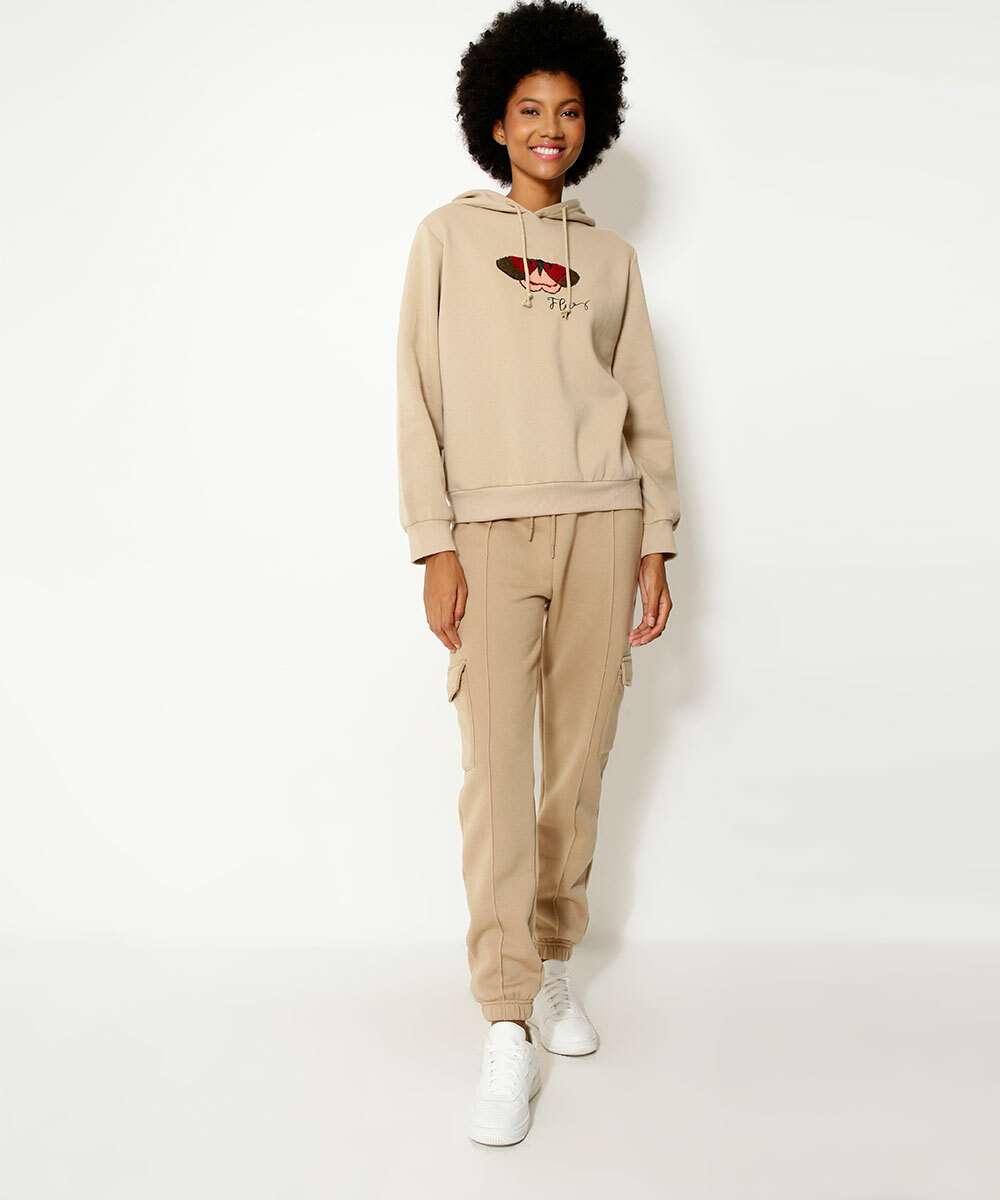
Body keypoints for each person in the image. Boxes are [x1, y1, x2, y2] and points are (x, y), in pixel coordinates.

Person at [395, 0, 681, 1146]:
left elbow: (644, 405)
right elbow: (416, 398)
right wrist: (434, 543)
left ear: (590, 122)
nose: (549, 129)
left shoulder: (611, 259)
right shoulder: (446, 239)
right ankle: (506, 1014)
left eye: (567, 111)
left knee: (577, 764)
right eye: (529, 110)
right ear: (495, 121)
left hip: (604, 521)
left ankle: (553, 957)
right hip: (491, 531)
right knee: (497, 774)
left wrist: (658, 539)